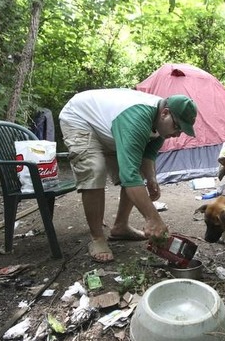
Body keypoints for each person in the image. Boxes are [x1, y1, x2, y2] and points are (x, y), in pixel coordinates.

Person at [59, 88, 198, 262]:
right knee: (95, 168)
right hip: (79, 118)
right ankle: (97, 238)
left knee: (135, 167)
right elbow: (129, 175)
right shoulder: (137, 118)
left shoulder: (161, 127)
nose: (177, 134)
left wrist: (151, 178)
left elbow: (147, 156)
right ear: (165, 113)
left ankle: (120, 227)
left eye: (182, 130)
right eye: (177, 126)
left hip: (108, 126)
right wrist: (153, 219)